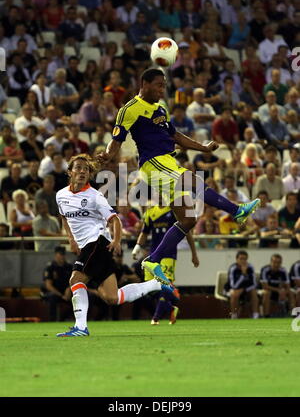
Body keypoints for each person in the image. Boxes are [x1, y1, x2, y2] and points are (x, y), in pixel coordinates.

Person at [97, 68, 260, 282]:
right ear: (144, 84)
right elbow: (117, 138)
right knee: (193, 180)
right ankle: (236, 210)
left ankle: (153, 259)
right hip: (153, 164)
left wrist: (203, 148)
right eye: (158, 84)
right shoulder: (130, 109)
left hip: (168, 161)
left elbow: (175, 135)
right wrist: (108, 154)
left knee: (188, 220)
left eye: (164, 85)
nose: (162, 89)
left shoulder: (161, 109)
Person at [56, 154, 175, 337]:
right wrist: (71, 239)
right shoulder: (61, 196)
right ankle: (156, 284)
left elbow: (115, 220)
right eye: (78, 168)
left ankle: (80, 328)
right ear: (69, 172)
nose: (82, 172)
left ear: (89, 174)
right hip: (91, 247)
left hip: (96, 241)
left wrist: (117, 240)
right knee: (111, 297)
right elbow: (64, 217)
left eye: (85, 169)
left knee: (75, 280)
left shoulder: (95, 196)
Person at [132, 203, 199, 325]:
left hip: (169, 254)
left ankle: (155, 318)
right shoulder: (150, 212)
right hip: (152, 256)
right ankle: (172, 305)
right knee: (151, 289)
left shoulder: (174, 210)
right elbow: (145, 232)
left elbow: (187, 231)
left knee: (163, 284)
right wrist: (137, 247)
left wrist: (194, 253)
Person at [41, 246, 73, 321]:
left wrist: (69, 289)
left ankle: (65, 318)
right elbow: (48, 286)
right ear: (56, 255)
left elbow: (73, 281)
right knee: (52, 297)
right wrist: (61, 295)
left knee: (78, 298)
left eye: (63, 254)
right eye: (60, 254)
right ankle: (52, 320)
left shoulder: (69, 266)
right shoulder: (50, 267)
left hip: (66, 292)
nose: (62, 256)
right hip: (54, 292)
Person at [227, 250, 259, 319]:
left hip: (247, 289)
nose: (243, 261)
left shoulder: (250, 267)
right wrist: (243, 274)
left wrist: (244, 289)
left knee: (253, 291)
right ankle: (234, 315)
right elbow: (233, 286)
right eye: (241, 258)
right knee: (234, 293)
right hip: (234, 289)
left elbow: (254, 283)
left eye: (245, 259)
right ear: (236, 259)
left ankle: (255, 315)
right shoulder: (233, 268)